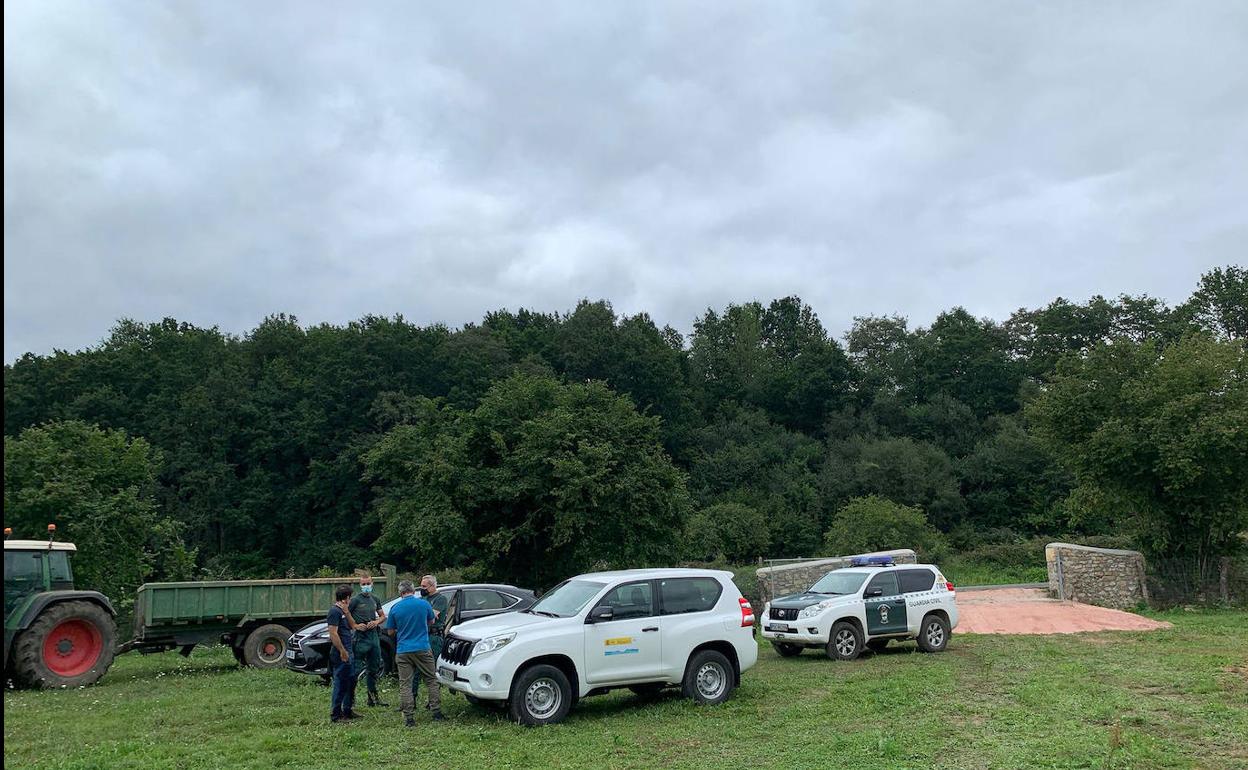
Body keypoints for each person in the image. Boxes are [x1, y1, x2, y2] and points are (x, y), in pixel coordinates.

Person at [384, 579, 443, 725]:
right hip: (423, 647)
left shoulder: (395, 608)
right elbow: (431, 622)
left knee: (405, 684)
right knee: (431, 680)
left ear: (400, 592)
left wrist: (401, 628)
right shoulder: (424, 604)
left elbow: (390, 631)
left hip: (403, 650)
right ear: (413, 590)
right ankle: (436, 712)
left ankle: (409, 717)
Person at [349, 571, 387, 707]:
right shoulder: (355, 600)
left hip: (374, 636)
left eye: (368, 584)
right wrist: (355, 625)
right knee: (355, 670)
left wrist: (376, 622)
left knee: (374, 668)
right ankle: (350, 700)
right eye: (363, 584)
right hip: (360, 638)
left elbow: (383, 616)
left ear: (372, 583)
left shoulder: (375, 599)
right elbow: (346, 615)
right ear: (360, 585)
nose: (366, 586)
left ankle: (373, 699)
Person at [326, 584, 362, 723]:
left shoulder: (343, 611)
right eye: (350, 597)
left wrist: (347, 612)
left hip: (349, 650)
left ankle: (347, 710)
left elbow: (353, 625)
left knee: (351, 681)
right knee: (340, 683)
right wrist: (342, 651)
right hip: (341, 652)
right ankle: (335, 714)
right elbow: (333, 634)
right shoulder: (334, 612)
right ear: (346, 598)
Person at [411, 574, 449, 704]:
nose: (422, 588)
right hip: (422, 635)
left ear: (432, 586)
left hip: (434, 637)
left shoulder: (440, 599)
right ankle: (412, 699)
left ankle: (432, 701)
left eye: (424, 586)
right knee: (415, 668)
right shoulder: (423, 599)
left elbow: (431, 616)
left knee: (431, 669)